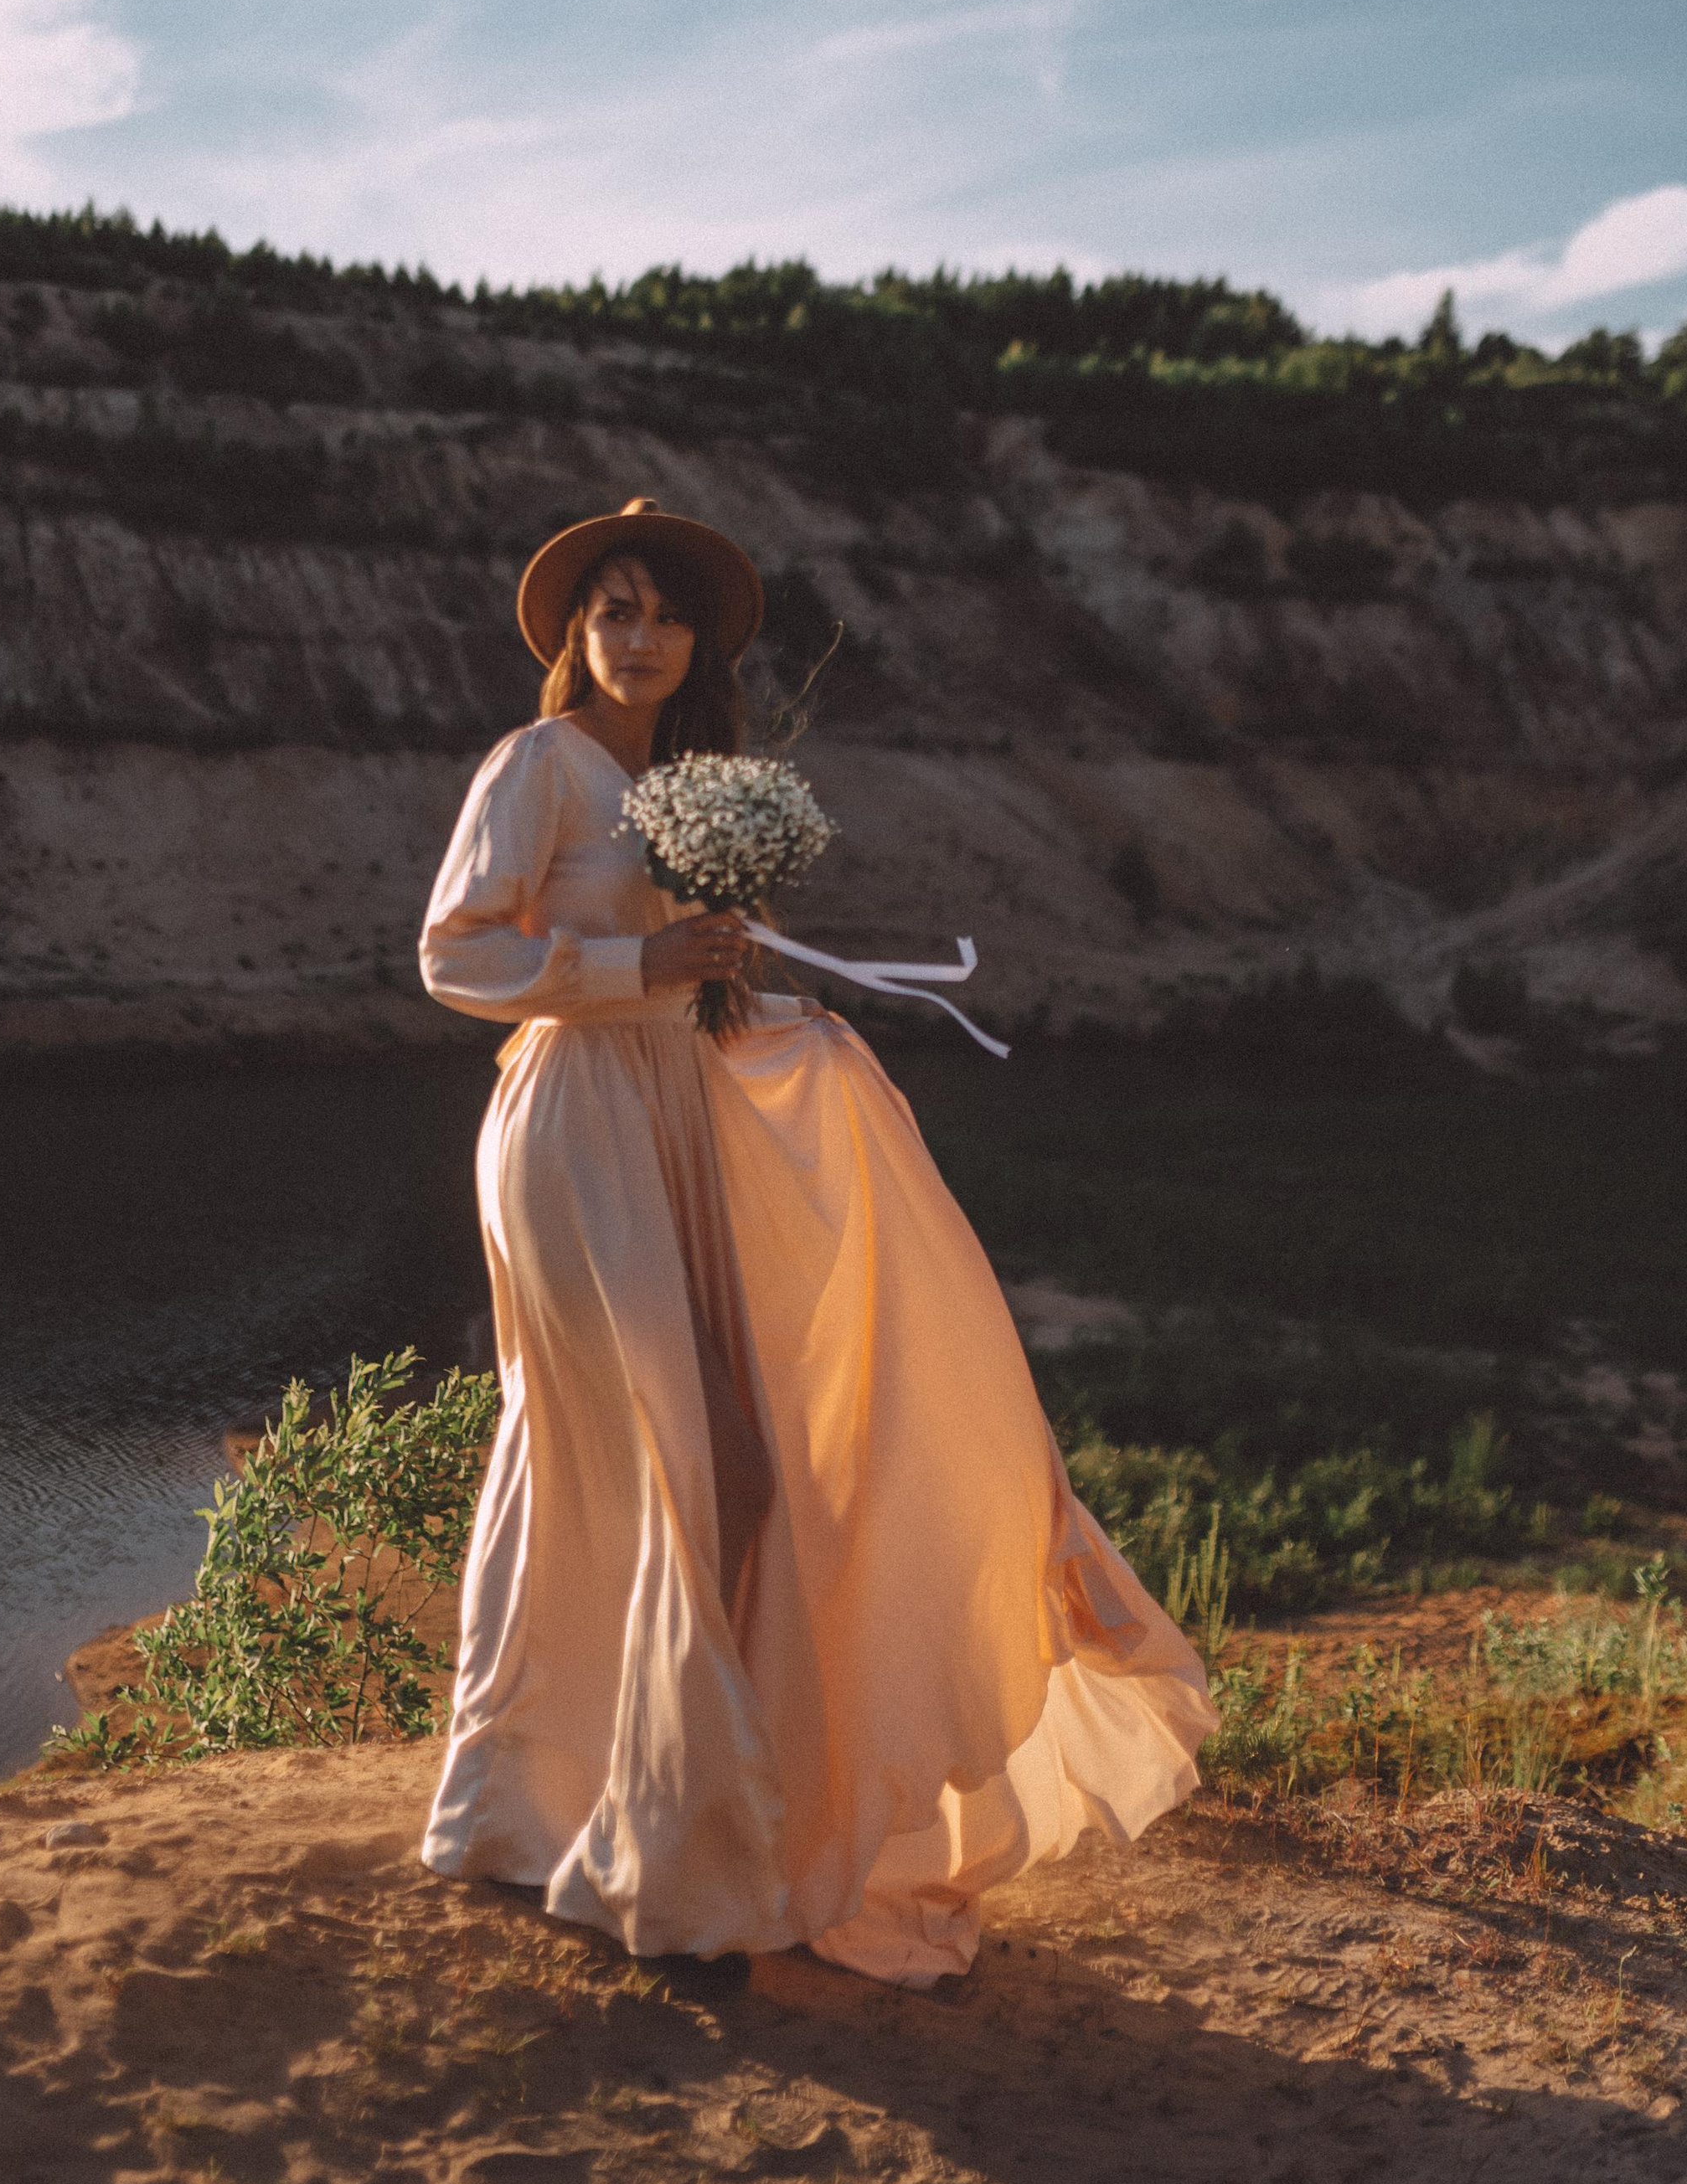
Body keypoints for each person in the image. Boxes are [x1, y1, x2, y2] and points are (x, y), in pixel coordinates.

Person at [415, 495, 1217, 1986]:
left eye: (666, 613)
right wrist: (625, 959)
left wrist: (775, 1007)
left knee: (702, 1457)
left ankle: (563, 1806)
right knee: (670, 1446)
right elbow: (453, 953)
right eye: (617, 607)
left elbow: (694, 997)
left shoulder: (703, 785)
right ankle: (639, 1836)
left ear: (697, 641)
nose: (642, 635)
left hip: (677, 1117)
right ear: (575, 632)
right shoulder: (536, 765)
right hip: (572, 1127)